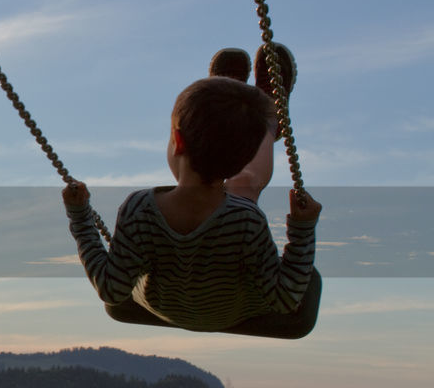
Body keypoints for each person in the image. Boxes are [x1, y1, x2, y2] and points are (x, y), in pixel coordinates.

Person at [61, 43, 322, 331]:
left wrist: (80, 216)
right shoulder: (247, 220)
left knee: (234, 193)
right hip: (235, 311)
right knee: (244, 187)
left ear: (178, 141)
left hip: (158, 306)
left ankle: (235, 106)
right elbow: (285, 299)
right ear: (241, 159)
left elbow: (112, 291)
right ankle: (266, 120)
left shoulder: (139, 209)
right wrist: (302, 230)